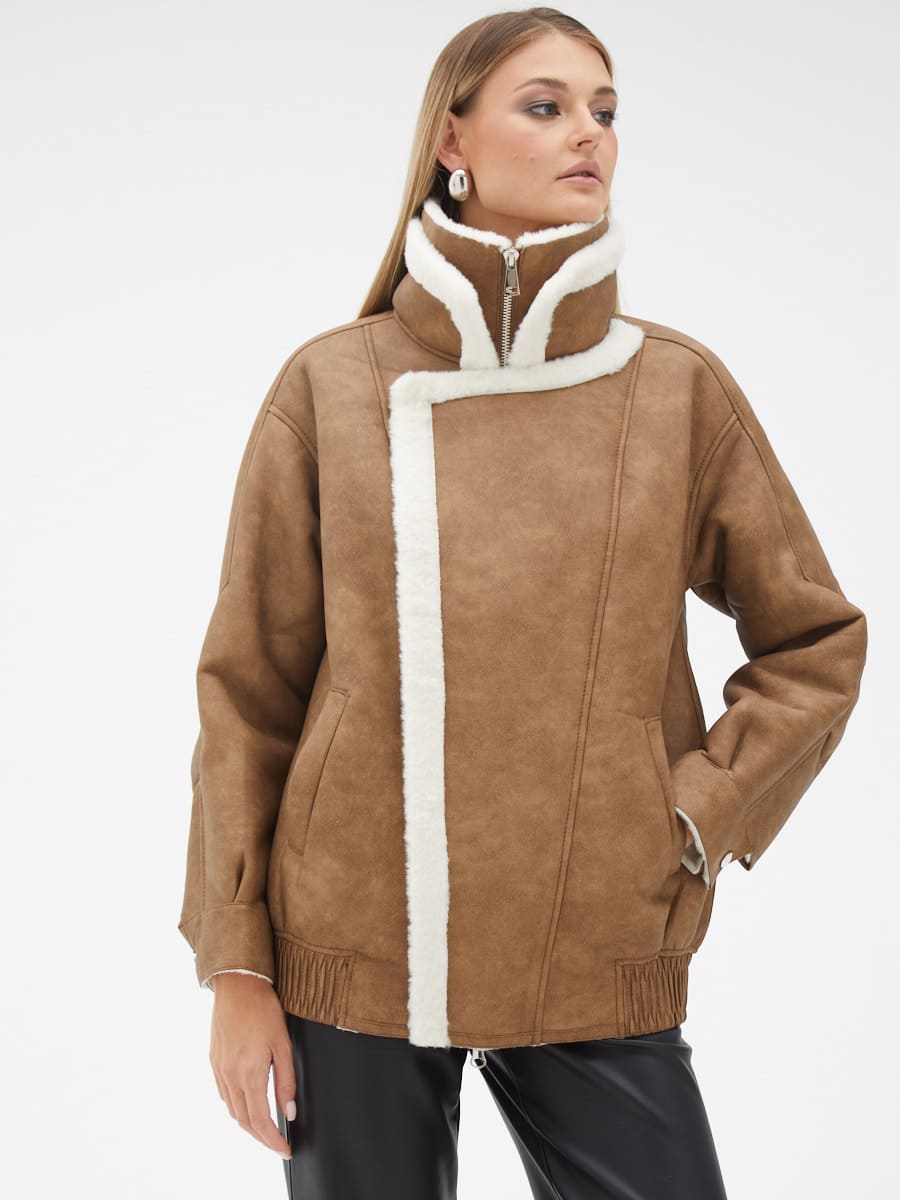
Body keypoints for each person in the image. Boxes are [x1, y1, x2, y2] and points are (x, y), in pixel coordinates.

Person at [177, 7, 868, 1198]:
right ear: (452, 139)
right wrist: (237, 966)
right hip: (354, 943)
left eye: (606, 110)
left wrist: (693, 814)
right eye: (545, 107)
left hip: (597, 935)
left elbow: (815, 641)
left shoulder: (674, 390)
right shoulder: (331, 386)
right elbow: (248, 692)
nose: (588, 133)